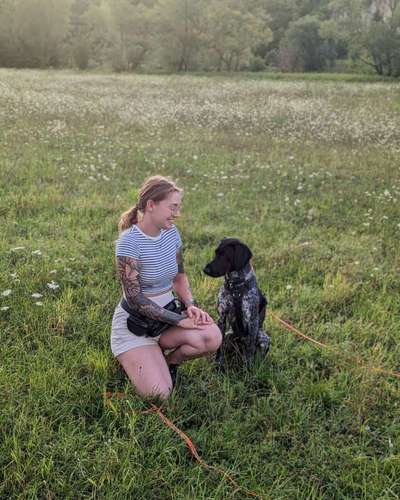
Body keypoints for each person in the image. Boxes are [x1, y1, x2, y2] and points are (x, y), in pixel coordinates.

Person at [111, 175, 222, 400]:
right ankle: (138, 358)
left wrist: (190, 306)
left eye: (178, 207)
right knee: (159, 395)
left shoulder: (172, 233)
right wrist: (180, 320)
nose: (177, 213)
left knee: (212, 337)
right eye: (172, 207)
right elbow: (135, 299)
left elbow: (180, 278)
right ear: (151, 205)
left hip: (167, 316)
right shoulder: (129, 242)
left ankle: (169, 362)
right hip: (136, 326)